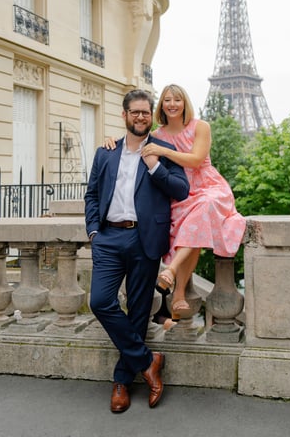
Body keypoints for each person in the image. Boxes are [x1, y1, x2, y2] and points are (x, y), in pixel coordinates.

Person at [84, 89, 189, 414]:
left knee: (140, 312)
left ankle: (121, 382)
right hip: (109, 239)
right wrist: (93, 231)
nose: (141, 117)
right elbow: (91, 194)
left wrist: (156, 167)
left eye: (146, 112)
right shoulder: (106, 152)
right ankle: (148, 361)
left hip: (145, 239)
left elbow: (182, 190)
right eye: (135, 112)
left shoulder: (164, 149)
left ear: (150, 115)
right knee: (100, 301)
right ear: (125, 115)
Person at [104, 84, 246, 324]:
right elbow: (134, 143)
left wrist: (163, 151)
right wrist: (111, 141)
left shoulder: (200, 127)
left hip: (206, 186)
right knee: (191, 226)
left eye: (177, 99)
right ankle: (177, 292)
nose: (172, 104)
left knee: (202, 210)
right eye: (167, 100)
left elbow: (196, 160)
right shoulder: (158, 135)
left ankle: (172, 277)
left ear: (184, 103)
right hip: (179, 190)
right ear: (162, 105)